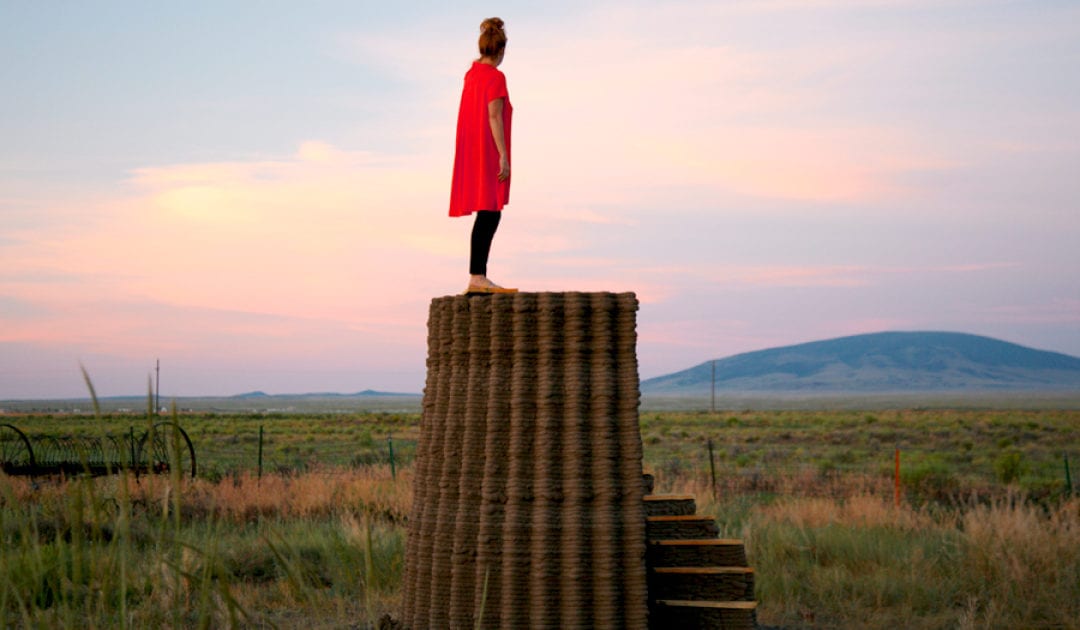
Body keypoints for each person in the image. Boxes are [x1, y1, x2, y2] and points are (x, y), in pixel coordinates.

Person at [449, 17, 517, 294]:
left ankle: (478, 276)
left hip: (471, 148)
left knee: (487, 212)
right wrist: (503, 155)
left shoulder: (472, 74)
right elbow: (494, 116)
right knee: (491, 211)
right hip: (488, 149)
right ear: (501, 51)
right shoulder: (495, 77)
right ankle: (477, 276)